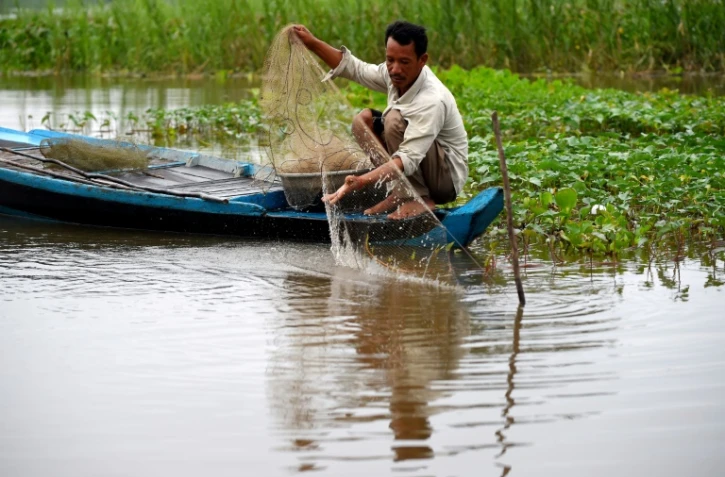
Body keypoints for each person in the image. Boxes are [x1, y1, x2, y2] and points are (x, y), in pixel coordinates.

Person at [293, 21, 468, 219]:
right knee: (363, 121)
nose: (395, 69)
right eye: (390, 60)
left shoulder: (432, 100)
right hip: (419, 164)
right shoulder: (394, 73)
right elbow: (355, 69)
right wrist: (313, 43)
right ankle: (401, 192)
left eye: (404, 62)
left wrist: (361, 181)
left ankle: (420, 197)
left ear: (422, 60)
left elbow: (408, 157)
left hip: (445, 179)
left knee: (393, 121)